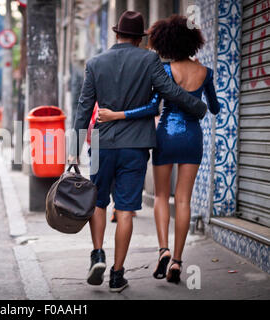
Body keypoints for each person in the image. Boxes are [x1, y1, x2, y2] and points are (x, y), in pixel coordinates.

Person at [69, 10, 207, 293]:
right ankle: (118, 274)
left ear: (117, 33)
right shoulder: (149, 59)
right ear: (139, 37)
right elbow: (169, 91)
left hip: (101, 143)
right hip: (135, 145)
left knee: (97, 202)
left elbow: (84, 108)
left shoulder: (95, 63)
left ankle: (97, 254)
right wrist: (198, 107)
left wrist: (73, 150)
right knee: (126, 210)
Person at [98, 15, 220, 284]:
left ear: (164, 43)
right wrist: (202, 83)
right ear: (192, 43)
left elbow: (152, 107)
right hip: (192, 137)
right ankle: (177, 260)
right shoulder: (205, 72)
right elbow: (214, 108)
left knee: (163, 197)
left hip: (165, 135)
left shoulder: (164, 71)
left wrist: (119, 115)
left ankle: (163, 249)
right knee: (185, 200)